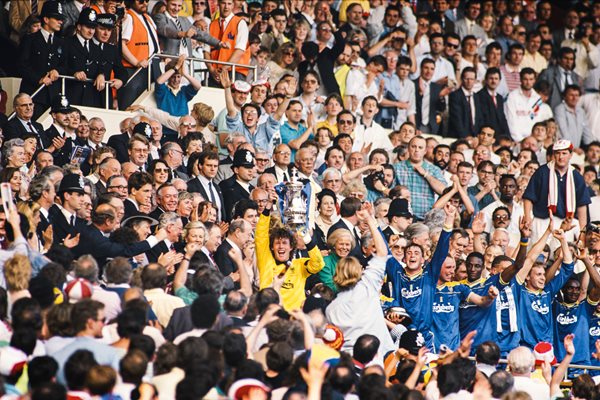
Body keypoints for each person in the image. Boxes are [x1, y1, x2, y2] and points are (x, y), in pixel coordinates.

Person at [385, 203, 456, 350]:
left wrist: (449, 220)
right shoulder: (397, 273)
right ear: (403, 259)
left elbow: (442, 249)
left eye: (417, 253)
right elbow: (383, 252)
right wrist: (372, 223)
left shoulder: (429, 274)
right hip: (401, 333)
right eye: (409, 253)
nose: (412, 256)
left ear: (423, 259)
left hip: (425, 337)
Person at [326, 203, 391, 356]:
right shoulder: (367, 286)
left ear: (336, 278)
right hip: (380, 358)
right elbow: (382, 252)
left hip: (351, 364)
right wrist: (370, 220)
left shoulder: (331, 309)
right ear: (359, 273)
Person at [256, 198, 324, 311]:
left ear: (291, 247)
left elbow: (318, 264)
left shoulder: (299, 265)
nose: (281, 246)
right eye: (277, 243)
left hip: (294, 319)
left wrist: (307, 239)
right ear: (272, 247)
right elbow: (260, 236)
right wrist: (267, 209)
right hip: (270, 316)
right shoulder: (266, 261)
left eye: (284, 243)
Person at [523, 140, 590, 245]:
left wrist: (582, 232)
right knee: (538, 255)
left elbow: (582, 206)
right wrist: (527, 217)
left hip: (566, 222)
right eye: (558, 153)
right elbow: (529, 197)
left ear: (570, 155)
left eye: (564, 153)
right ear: (553, 154)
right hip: (541, 221)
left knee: (561, 255)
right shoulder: (542, 171)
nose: (561, 157)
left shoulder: (576, 176)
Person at [17, 1, 66, 118]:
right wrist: (38, 79)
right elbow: (21, 65)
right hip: (34, 93)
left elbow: (66, 64)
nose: (61, 22)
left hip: (53, 96)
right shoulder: (30, 39)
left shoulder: (62, 42)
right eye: (57, 18)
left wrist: (57, 70)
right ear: (46, 19)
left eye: (61, 19)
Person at [394, 136, 446, 220]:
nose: (416, 150)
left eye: (420, 147)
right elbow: (390, 193)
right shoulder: (396, 168)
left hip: (425, 219)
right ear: (408, 148)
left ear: (425, 151)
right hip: (401, 217)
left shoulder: (434, 169)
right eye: (413, 146)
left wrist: (426, 175)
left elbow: (443, 191)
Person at [207, 0, 250, 84]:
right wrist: (211, 69)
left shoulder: (240, 23)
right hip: (214, 73)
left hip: (235, 71)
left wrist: (224, 68)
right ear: (218, 4)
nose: (226, 7)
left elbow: (240, 50)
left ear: (233, 5)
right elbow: (206, 51)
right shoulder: (212, 24)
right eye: (223, 3)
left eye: (229, 4)